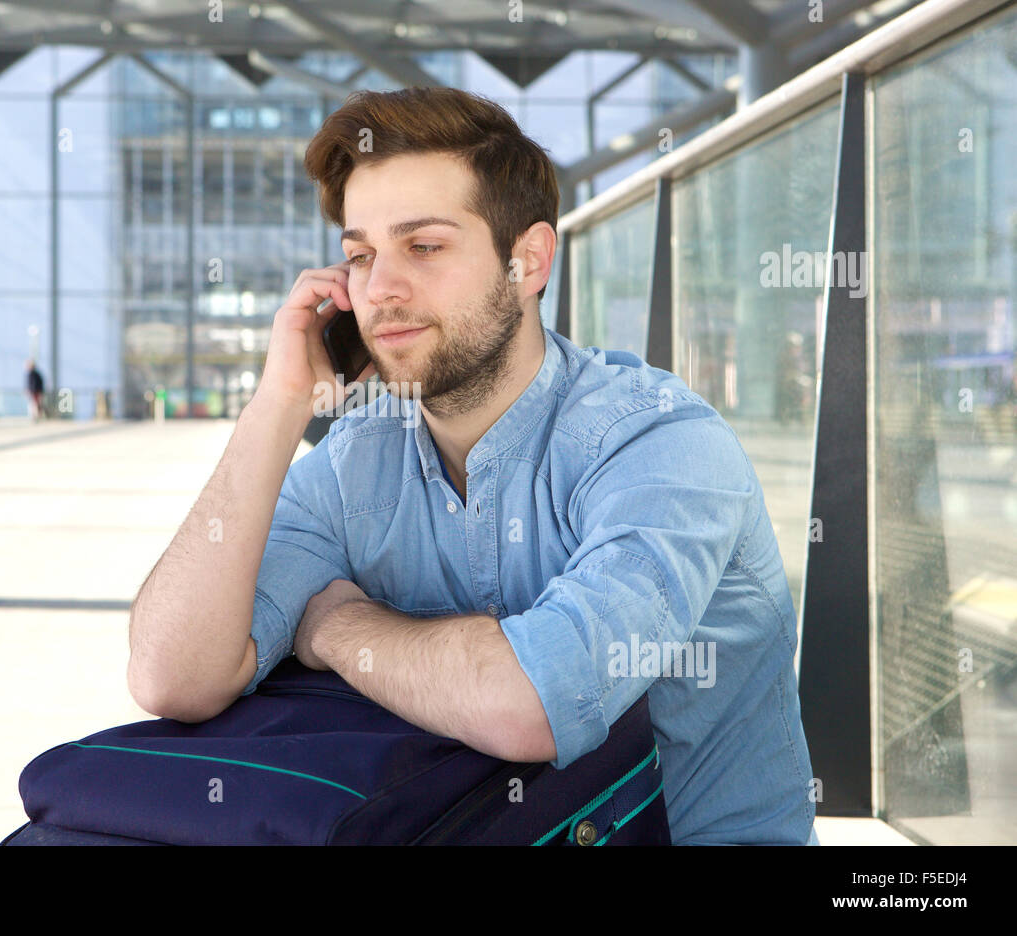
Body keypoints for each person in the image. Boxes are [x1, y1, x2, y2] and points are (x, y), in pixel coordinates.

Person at [126, 86, 817, 846]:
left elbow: (531, 704)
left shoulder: (657, 441)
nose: (379, 290)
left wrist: (335, 627)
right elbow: (171, 674)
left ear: (528, 261)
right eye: (360, 256)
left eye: (423, 246)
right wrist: (277, 408)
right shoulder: (357, 460)